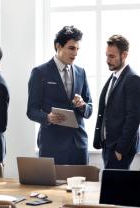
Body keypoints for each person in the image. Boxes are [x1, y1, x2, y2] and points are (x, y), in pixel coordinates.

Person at [27, 26, 93, 165]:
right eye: (71, 48)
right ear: (58, 46)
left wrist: (82, 105)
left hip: (78, 145)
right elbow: (31, 111)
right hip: (52, 145)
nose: (75, 53)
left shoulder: (81, 72)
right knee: (51, 187)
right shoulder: (40, 72)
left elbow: (89, 109)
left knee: (80, 187)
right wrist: (47, 117)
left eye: (77, 49)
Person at [93, 35, 140, 169]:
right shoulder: (114, 77)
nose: (107, 60)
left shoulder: (132, 79)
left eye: (112, 56)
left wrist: (121, 148)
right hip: (108, 145)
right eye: (107, 56)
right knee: (111, 188)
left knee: (116, 189)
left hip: (119, 149)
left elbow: (134, 118)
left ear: (124, 55)